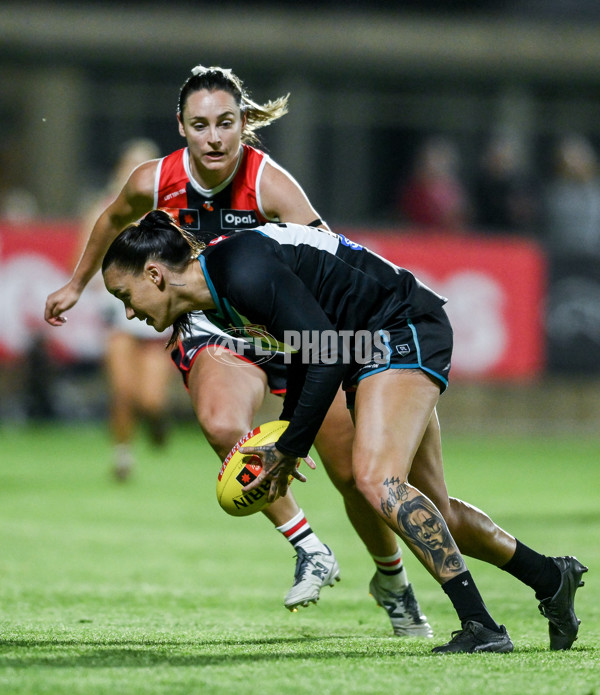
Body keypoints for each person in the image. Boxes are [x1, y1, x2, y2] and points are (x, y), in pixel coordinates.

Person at [44, 65, 432, 635]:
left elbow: (331, 260)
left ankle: (392, 581)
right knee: (222, 421)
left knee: (352, 475)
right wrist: (77, 283)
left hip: (289, 333)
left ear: (243, 124)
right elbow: (113, 220)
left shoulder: (271, 184)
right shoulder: (154, 181)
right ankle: (309, 548)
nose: (214, 137)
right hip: (212, 325)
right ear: (181, 127)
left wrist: (351, 344)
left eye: (226, 123)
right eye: (200, 125)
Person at [101, 210, 588, 653]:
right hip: (373, 343)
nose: (128, 313)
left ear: (155, 273)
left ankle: (481, 625)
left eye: (125, 296)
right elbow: (304, 351)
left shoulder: (238, 269)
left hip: (398, 329)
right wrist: (288, 435)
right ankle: (549, 576)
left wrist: (289, 448)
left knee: (376, 481)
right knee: (434, 513)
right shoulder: (221, 289)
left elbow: (325, 353)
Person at [80, 138, 174, 480]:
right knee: (122, 391)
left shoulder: (167, 217)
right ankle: (122, 456)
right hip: (117, 314)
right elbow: (81, 259)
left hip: (154, 319)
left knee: (151, 399)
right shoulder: (102, 211)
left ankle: (157, 422)